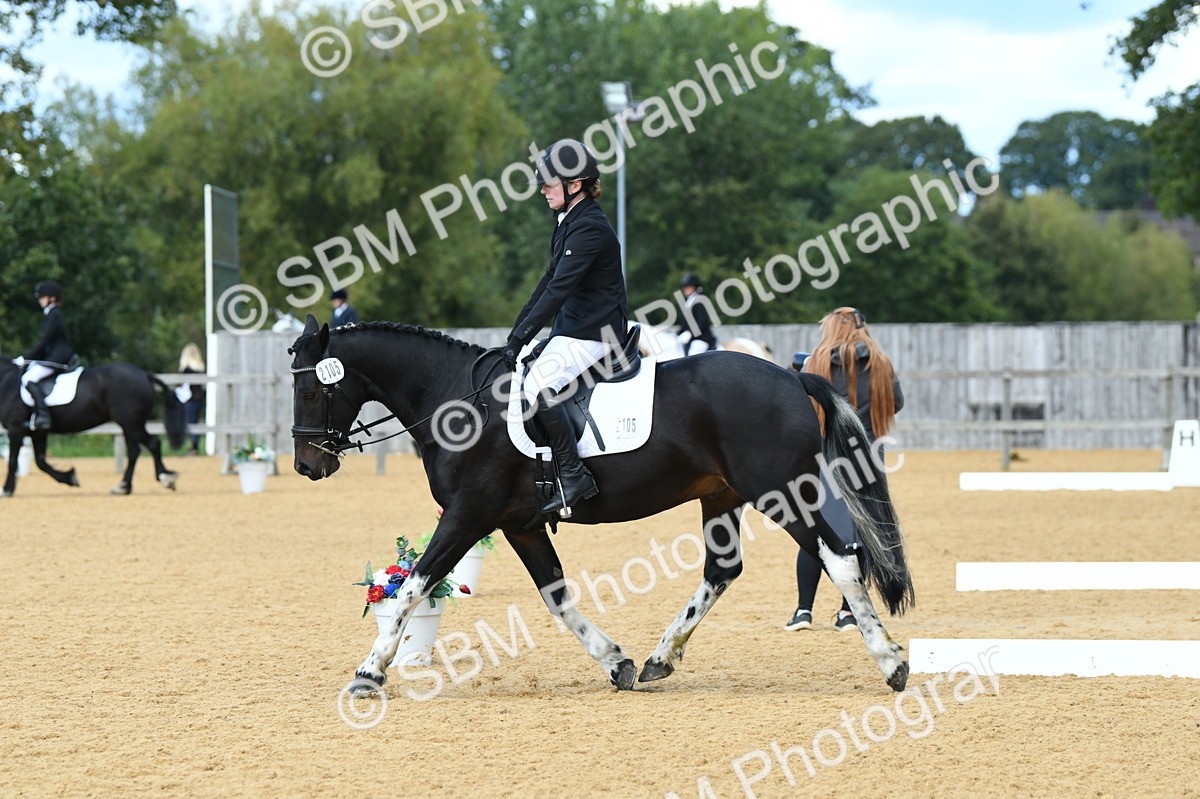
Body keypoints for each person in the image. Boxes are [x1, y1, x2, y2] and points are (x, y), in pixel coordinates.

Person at [500, 138, 629, 515]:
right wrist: (517, 333)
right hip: (576, 328)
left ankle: (573, 475)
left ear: (575, 185)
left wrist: (524, 336)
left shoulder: (589, 226)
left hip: (596, 332)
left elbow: (560, 289)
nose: (542, 189)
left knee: (539, 384)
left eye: (548, 183)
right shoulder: (570, 221)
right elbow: (548, 279)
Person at [785, 307, 904, 632]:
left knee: (815, 534)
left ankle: (803, 611)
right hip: (869, 458)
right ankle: (847, 612)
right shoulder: (881, 364)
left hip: (827, 457)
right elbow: (896, 402)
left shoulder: (816, 363)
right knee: (861, 535)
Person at [13, 280, 73, 431]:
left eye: (42, 297)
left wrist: (26, 357)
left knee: (28, 378)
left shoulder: (55, 313)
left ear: (52, 298)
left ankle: (43, 416)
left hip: (56, 357)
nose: (40, 299)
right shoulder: (51, 313)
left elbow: (45, 340)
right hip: (51, 356)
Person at [676, 273, 717, 355]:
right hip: (691, 339)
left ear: (695, 287)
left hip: (702, 339)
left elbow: (701, 322)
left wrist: (690, 333)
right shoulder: (687, 302)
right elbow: (685, 324)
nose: (685, 289)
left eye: (688, 287)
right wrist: (677, 334)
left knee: (694, 352)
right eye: (684, 287)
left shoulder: (700, 300)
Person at [178, 343, 206, 455]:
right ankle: (195, 446)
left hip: (189, 400)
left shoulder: (186, 369)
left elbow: (181, 385)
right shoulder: (200, 368)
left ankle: (193, 447)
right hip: (199, 400)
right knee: (195, 422)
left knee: (190, 423)